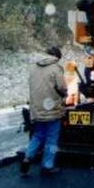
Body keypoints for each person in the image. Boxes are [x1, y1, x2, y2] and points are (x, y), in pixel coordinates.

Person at [20, 46, 67, 176]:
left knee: (38, 135)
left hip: (37, 108)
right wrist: (64, 95)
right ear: (56, 57)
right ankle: (47, 165)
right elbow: (62, 87)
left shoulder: (34, 68)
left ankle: (27, 158)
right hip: (51, 108)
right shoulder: (56, 68)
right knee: (51, 138)